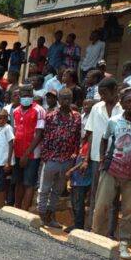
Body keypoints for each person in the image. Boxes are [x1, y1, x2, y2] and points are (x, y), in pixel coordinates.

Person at [92, 89, 131, 259]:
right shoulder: (114, 121)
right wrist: (102, 159)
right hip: (112, 169)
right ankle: (96, 238)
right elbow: (104, 138)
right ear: (121, 104)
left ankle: (123, 244)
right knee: (101, 205)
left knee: (129, 210)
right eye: (129, 101)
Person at [37, 88, 82, 227]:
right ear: (59, 100)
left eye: (69, 98)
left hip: (67, 160)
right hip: (51, 158)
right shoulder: (50, 116)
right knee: (44, 189)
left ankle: (51, 216)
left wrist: (74, 154)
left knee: (57, 190)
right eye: (63, 99)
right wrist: (45, 156)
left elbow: (77, 138)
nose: (66, 101)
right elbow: (44, 138)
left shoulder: (76, 117)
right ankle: (41, 215)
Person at [82, 77, 123, 230]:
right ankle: (92, 227)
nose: (103, 97)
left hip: (117, 158)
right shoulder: (96, 108)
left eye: (105, 93)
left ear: (114, 91)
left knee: (113, 198)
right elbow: (91, 133)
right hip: (96, 157)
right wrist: (86, 158)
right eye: (100, 94)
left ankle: (110, 231)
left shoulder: (123, 108)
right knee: (94, 194)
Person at [13, 85, 46, 210]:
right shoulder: (16, 111)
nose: (25, 97)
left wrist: (26, 154)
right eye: (23, 95)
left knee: (29, 183)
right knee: (18, 181)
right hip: (17, 152)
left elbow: (39, 135)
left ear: (32, 95)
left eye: (28, 95)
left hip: (32, 154)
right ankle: (17, 208)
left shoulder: (39, 110)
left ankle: (24, 210)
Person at [65, 135, 92, 232]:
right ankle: (76, 223)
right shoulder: (83, 142)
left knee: (78, 203)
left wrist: (71, 170)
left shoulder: (89, 144)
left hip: (82, 177)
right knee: (74, 202)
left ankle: (79, 225)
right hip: (76, 177)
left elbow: (86, 160)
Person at [0, 109, 15, 209]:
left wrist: (8, 162)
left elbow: (11, 143)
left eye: (5, 118)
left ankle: (1, 207)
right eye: (0, 118)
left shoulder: (7, 128)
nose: (2, 120)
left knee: (1, 185)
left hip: (4, 162)